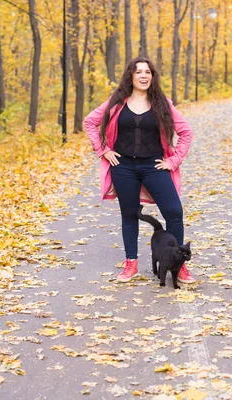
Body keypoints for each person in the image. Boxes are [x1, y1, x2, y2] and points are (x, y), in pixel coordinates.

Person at [84, 57, 195, 284]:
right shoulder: (116, 103)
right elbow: (89, 122)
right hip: (123, 167)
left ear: (152, 77)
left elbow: (186, 132)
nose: (143, 76)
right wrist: (103, 150)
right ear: (131, 76)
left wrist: (173, 161)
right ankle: (131, 264)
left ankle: (179, 264)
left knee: (174, 211)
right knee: (130, 214)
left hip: (153, 166)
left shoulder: (162, 103)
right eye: (139, 72)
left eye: (148, 72)